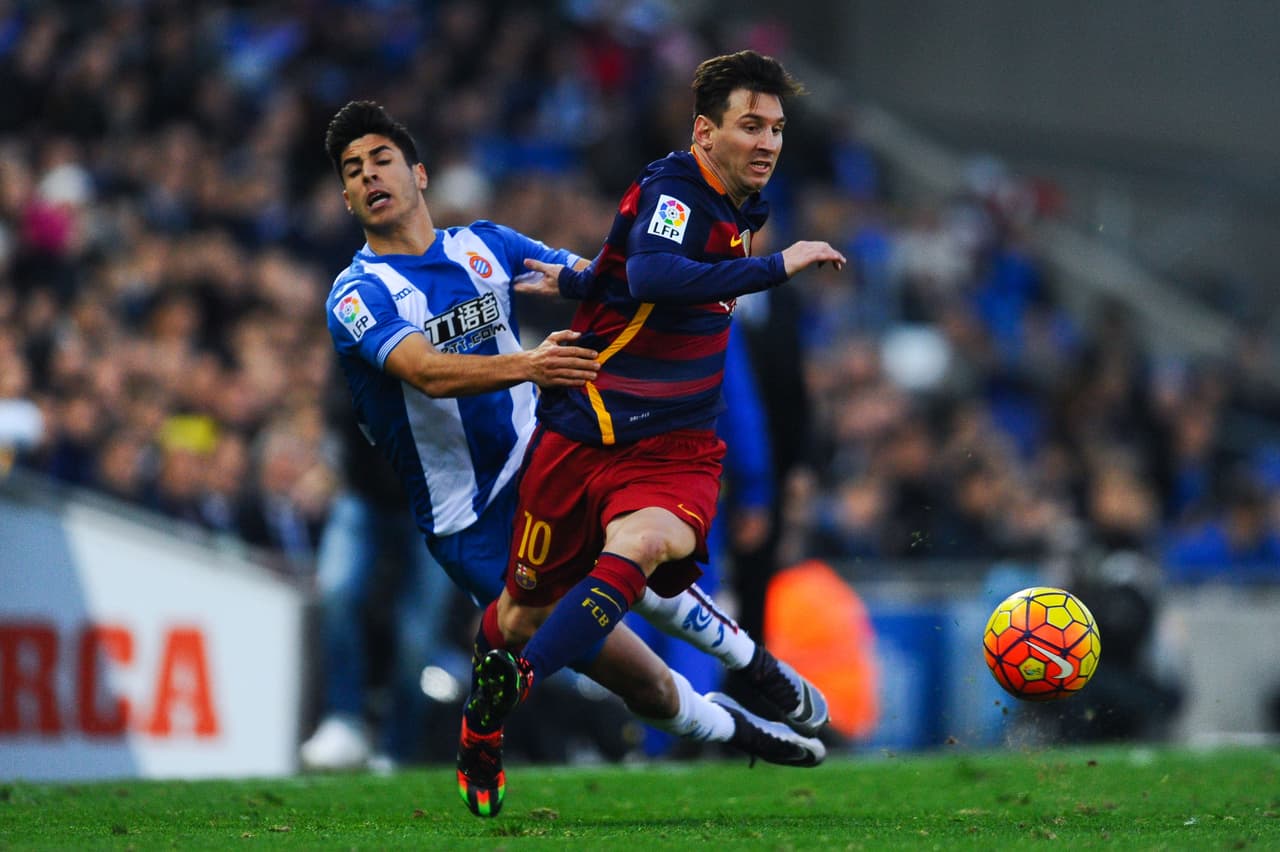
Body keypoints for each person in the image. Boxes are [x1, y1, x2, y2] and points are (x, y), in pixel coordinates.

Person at [321, 100, 828, 816]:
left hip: (550, 458)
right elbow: (427, 371)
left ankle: (758, 666)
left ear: (420, 173)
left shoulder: (485, 245)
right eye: (353, 171)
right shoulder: (358, 294)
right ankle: (735, 726)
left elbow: (594, 276)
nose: (370, 176)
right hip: (470, 519)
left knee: (640, 549)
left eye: (381, 160)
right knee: (641, 682)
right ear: (346, 198)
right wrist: (531, 365)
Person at [463, 50, 846, 813]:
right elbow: (656, 277)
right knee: (516, 615)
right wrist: (779, 265)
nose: (768, 142)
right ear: (706, 132)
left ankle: (529, 684)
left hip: (675, 445)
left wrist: (575, 281)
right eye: (750, 126)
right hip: (582, 431)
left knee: (643, 546)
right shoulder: (680, 187)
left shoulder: (735, 201)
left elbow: (625, 268)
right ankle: (484, 727)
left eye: (775, 128)